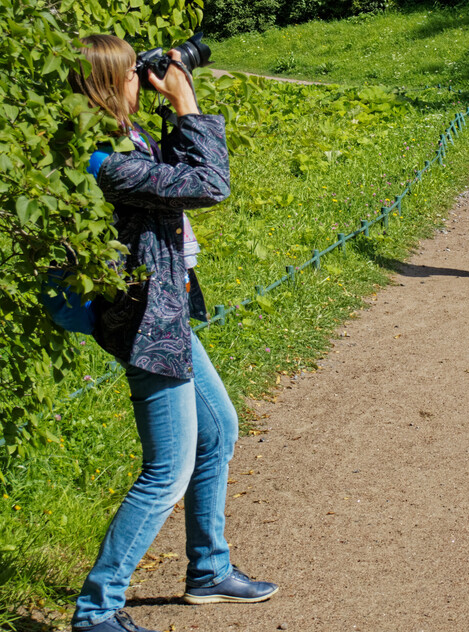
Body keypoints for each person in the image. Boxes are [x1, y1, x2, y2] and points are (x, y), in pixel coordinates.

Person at [67, 34, 278, 632]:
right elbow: (208, 184)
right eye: (135, 71)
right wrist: (187, 102)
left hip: (166, 312)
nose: (145, 76)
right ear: (109, 84)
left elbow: (181, 174)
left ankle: (209, 570)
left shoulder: (128, 137)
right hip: (145, 325)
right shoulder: (102, 158)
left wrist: (173, 105)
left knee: (219, 431)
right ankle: (97, 609)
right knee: (168, 470)